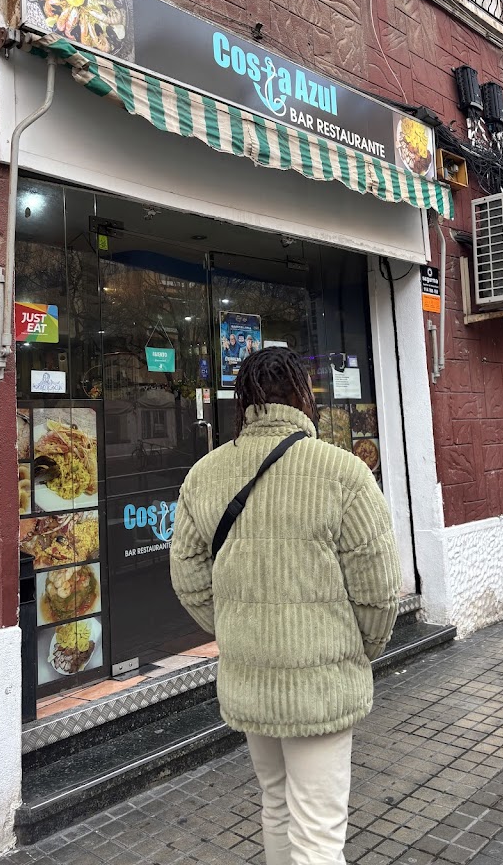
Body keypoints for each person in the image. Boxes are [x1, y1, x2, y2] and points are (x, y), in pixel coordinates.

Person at [170, 348, 401, 865]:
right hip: (320, 685)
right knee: (319, 830)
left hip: (251, 676)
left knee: (275, 805)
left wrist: (238, 627)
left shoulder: (204, 474)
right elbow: (379, 589)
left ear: (242, 402)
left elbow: (187, 578)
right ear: (304, 396)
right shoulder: (345, 472)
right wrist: (356, 647)